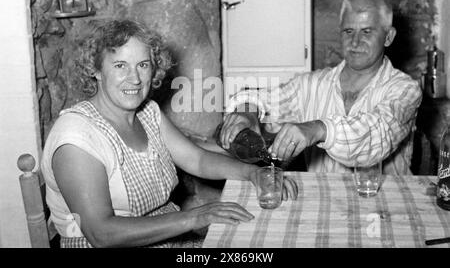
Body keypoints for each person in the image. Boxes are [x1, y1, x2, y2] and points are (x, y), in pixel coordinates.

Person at [40, 19, 298, 248]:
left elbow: (197, 159)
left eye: (143, 65)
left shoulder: (147, 113)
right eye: (120, 65)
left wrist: (254, 173)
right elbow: (101, 233)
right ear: (95, 70)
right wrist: (195, 217)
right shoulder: (77, 136)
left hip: (165, 239)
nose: (135, 78)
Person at [219, 0, 422, 175]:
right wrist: (247, 111)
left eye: (367, 31)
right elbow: (265, 98)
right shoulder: (312, 84)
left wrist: (318, 129)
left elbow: (376, 136)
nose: (355, 42)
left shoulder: (405, 90)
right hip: (324, 201)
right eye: (348, 31)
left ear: (388, 37)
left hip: (386, 206)